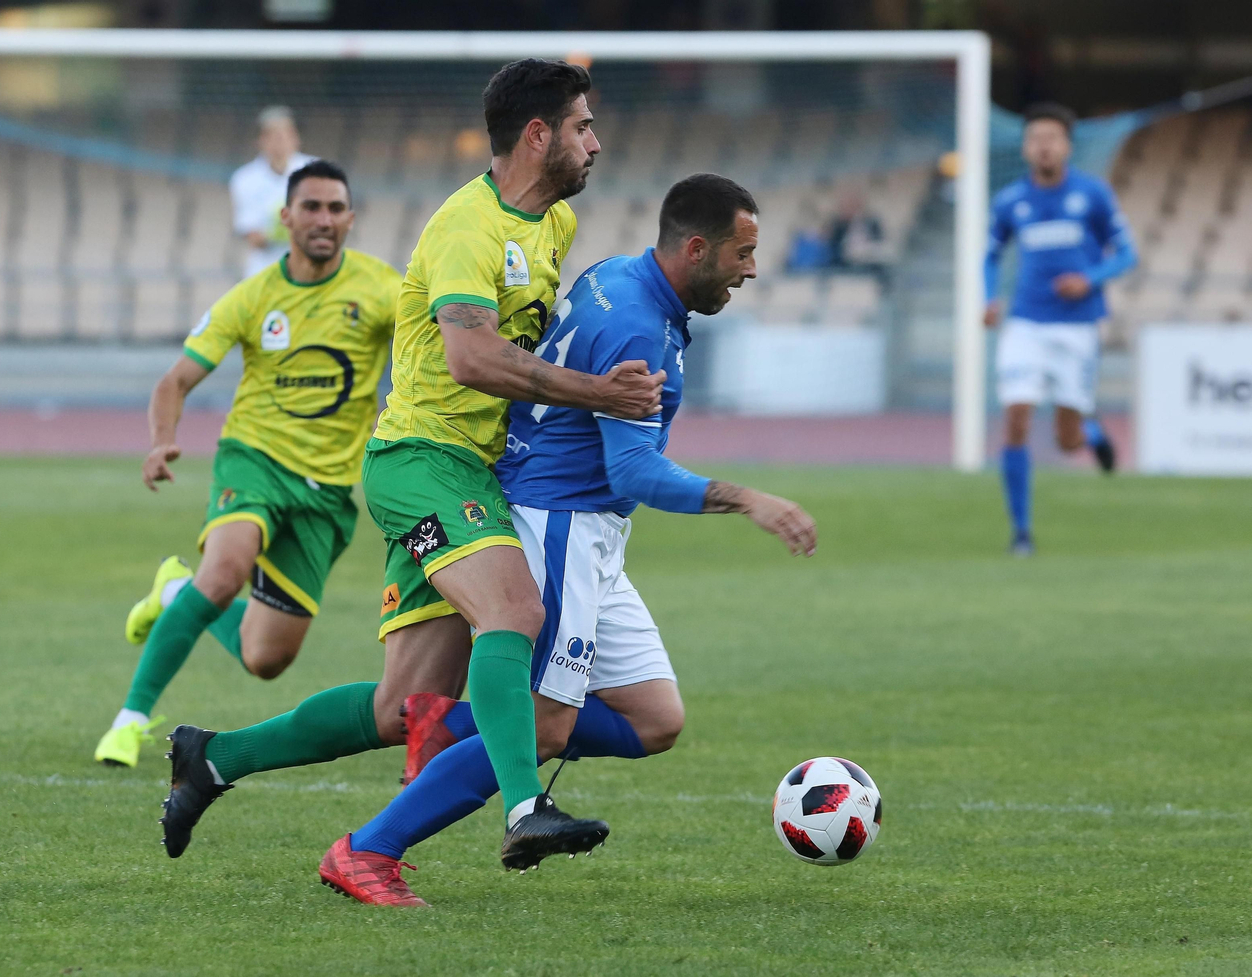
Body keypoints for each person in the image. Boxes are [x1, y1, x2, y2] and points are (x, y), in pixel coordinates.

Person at [159, 174, 817, 907]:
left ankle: (227, 755)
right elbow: (631, 467)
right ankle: (373, 846)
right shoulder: (633, 322)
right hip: (558, 521)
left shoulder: (615, 273)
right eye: (742, 252)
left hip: (573, 519)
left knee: (647, 718)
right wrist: (747, 498)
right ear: (695, 249)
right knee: (541, 724)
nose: (751, 269)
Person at [155, 58, 663, 869]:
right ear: (538, 135)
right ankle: (525, 806)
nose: (595, 143)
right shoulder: (468, 227)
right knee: (514, 611)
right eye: (582, 126)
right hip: (425, 460)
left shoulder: (555, 225)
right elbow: (471, 357)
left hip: (472, 470)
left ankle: (213, 756)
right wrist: (599, 394)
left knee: (404, 706)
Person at [93, 161, 409, 768]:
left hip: (326, 492)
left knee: (265, 659)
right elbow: (175, 381)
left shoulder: (381, 290)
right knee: (224, 574)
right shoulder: (253, 297)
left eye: (335, 208)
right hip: (254, 461)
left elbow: (435, 345)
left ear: (350, 218)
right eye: (311, 207)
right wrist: (161, 441)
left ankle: (175, 592)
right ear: (285, 217)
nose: (323, 219)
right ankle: (129, 721)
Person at [983, 102, 1137, 556]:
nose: (1044, 147)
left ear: (1068, 146)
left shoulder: (1092, 195)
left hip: (1077, 327)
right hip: (1026, 324)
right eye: (1035, 139)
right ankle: (1021, 533)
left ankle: (1092, 434)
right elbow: (990, 255)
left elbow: (1127, 254)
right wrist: (988, 298)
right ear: (1025, 148)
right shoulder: (1011, 201)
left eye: (1052, 138)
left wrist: (1089, 279)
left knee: (1066, 441)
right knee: (1016, 416)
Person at [230, 106, 317, 279]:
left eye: (286, 134)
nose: (281, 141)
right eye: (274, 136)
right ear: (261, 140)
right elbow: (254, 238)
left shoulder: (316, 171)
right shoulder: (244, 179)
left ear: (296, 138)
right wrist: (286, 228)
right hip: (266, 273)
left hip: (310, 271)